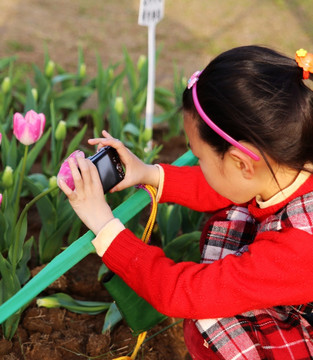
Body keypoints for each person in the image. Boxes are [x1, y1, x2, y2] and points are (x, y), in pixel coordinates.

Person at [57, 45, 313, 359]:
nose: (197, 164)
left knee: (211, 320)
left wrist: (103, 224)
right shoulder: (291, 160)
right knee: (236, 213)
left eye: (200, 157)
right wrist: (148, 173)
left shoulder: (298, 249)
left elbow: (183, 293)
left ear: (244, 163)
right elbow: (226, 188)